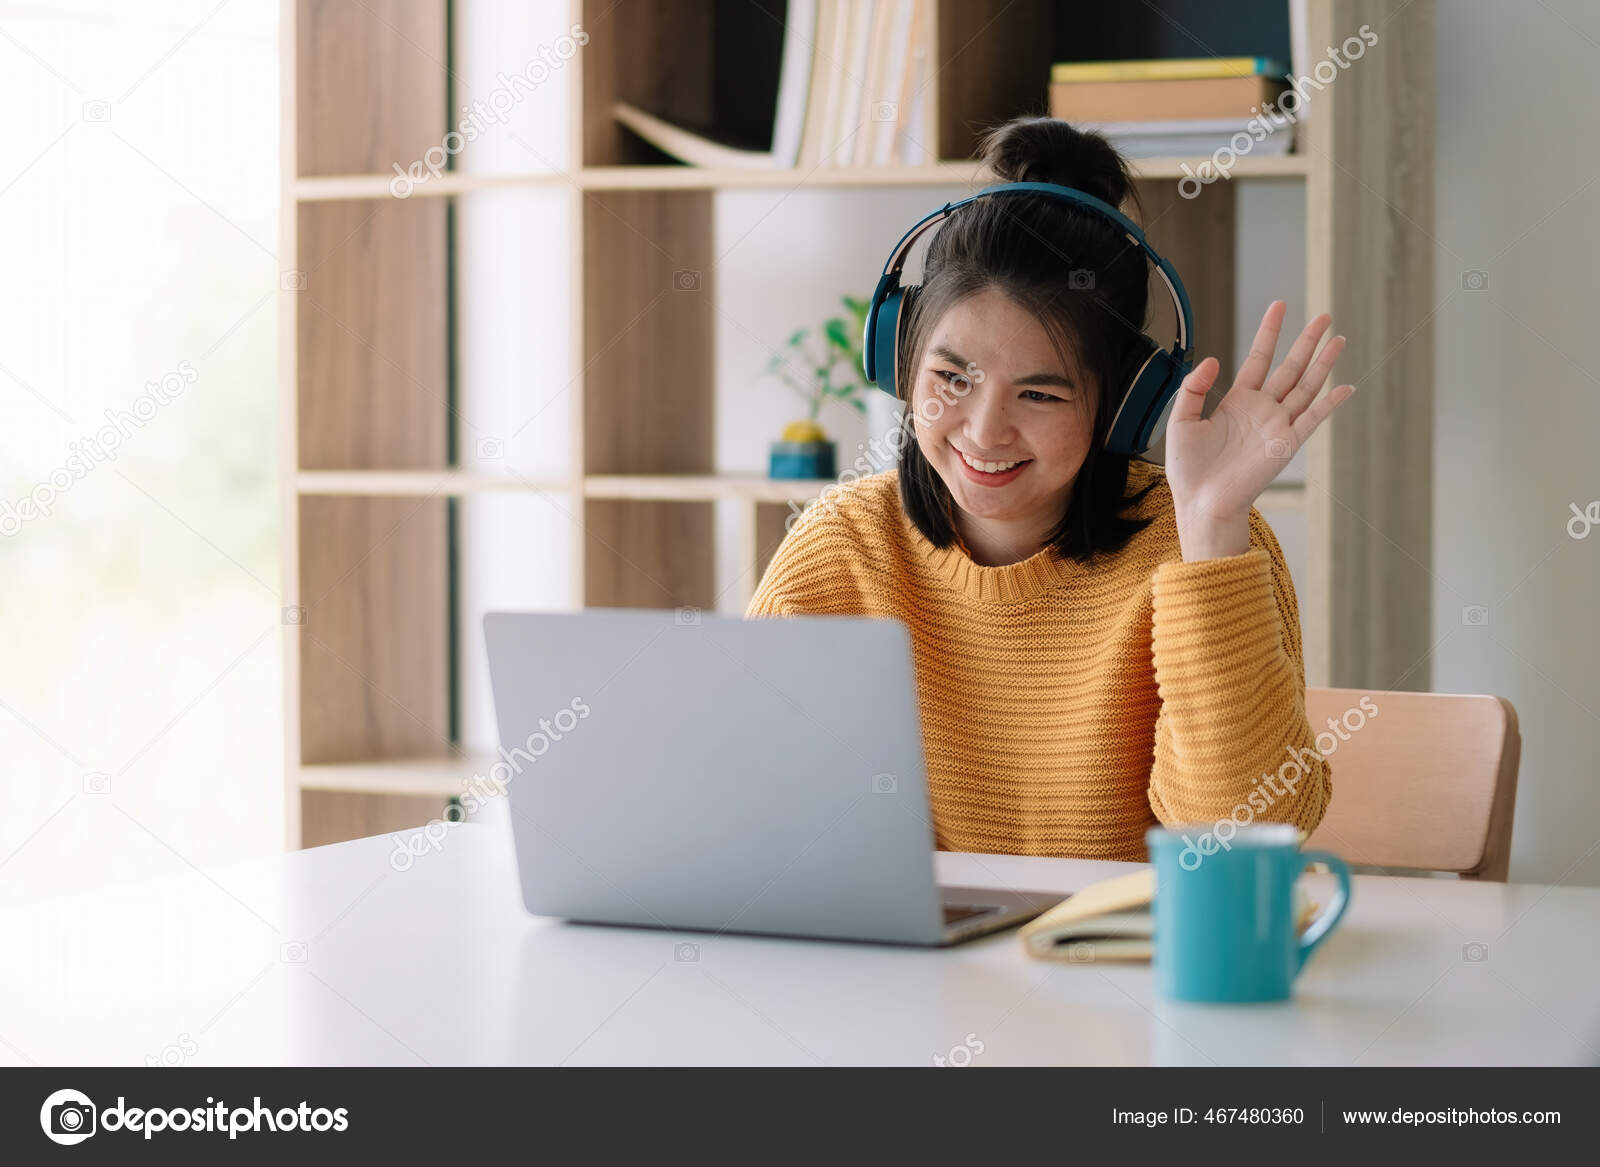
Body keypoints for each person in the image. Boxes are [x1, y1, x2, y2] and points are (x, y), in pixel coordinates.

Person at [745, 117, 1353, 859]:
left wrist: (1211, 528)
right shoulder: (842, 548)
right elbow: (746, 805)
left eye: (1039, 394)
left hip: (1126, 938)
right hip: (906, 939)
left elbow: (1241, 837)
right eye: (952, 378)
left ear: (1122, 406)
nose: (984, 431)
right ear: (900, 361)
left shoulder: (1209, 546)